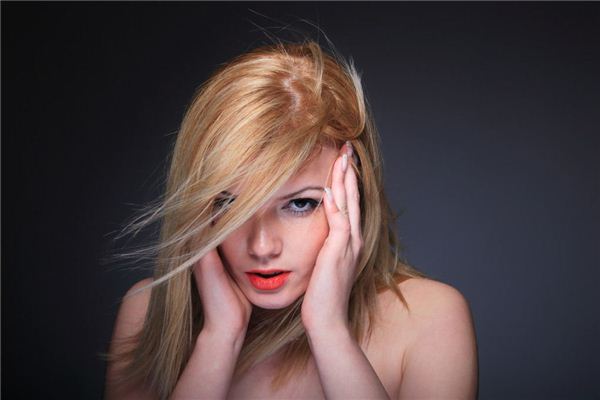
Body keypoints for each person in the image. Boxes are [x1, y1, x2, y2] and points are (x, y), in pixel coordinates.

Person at [104, 38, 478, 400]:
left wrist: (330, 331)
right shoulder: (147, 313)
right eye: (228, 204)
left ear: (354, 194)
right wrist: (219, 339)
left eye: (300, 204)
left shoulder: (429, 319)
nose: (262, 246)